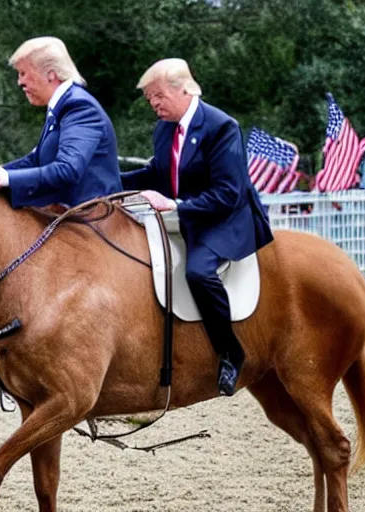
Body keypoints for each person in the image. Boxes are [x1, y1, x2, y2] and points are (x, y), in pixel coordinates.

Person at [121, 59, 273, 396]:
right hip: (186, 215)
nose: (154, 104)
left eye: (158, 95)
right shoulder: (163, 129)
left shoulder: (222, 127)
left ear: (185, 89)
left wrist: (174, 205)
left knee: (199, 272)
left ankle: (230, 352)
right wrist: (105, 182)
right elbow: (156, 174)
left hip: (223, 218)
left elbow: (228, 194)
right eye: (149, 99)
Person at [0, 37, 122, 207]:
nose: (20, 82)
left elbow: (68, 170)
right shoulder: (61, 105)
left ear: (51, 74)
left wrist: (4, 178)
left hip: (93, 221)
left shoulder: (79, 106)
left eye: (23, 73)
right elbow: (36, 160)